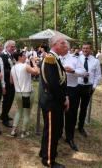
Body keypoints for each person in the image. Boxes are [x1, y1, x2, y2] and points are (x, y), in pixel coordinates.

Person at [39, 36, 69, 168]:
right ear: (55, 45)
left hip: (53, 100)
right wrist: (64, 100)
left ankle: (44, 152)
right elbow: (53, 85)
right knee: (53, 131)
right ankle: (49, 160)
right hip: (52, 102)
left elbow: (60, 81)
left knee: (49, 130)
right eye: (63, 43)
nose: (66, 45)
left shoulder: (55, 58)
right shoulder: (51, 59)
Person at [59, 41, 86, 151]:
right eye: (61, 46)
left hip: (72, 89)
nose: (62, 47)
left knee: (71, 114)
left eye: (64, 46)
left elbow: (84, 72)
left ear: (68, 48)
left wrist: (73, 71)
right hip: (59, 88)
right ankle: (58, 133)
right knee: (58, 112)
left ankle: (69, 137)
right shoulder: (55, 58)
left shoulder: (75, 59)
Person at [10, 50, 39, 138]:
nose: (25, 56)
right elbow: (36, 72)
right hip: (27, 93)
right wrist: (34, 62)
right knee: (27, 113)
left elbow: (11, 81)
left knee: (19, 111)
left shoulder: (13, 68)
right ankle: (23, 132)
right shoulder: (25, 66)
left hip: (18, 93)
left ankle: (13, 130)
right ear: (19, 57)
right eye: (23, 55)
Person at [77, 42, 101, 137]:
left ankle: (80, 126)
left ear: (91, 50)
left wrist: (94, 86)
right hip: (77, 86)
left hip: (88, 87)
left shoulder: (95, 61)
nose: (85, 50)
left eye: (87, 48)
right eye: (83, 48)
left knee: (84, 108)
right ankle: (71, 126)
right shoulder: (77, 59)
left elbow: (98, 75)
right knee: (74, 107)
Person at [0, 40, 16, 128]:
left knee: (10, 99)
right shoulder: (2, 55)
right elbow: (2, 69)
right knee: (7, 99)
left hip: (12, 81)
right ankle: (4, 118)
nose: (13, 48)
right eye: (12, 46)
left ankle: (4, 114)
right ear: (6, 47)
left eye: (14, 46)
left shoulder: (11, 55)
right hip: (6, 81)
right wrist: (13, 70)